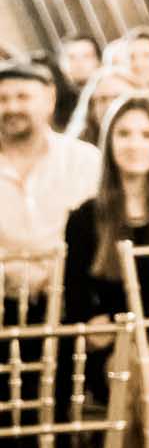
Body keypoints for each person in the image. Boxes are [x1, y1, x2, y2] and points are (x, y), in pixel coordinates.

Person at [62, 93, 149, 448]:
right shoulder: (84, 218)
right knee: (141, 376)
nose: (134, 144)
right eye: (124, 134)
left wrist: (129, 328)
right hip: (114, 356)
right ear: (109, 144)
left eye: (147, 135)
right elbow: (77, 310)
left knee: (137, 382)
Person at [0, 58, 100, 301]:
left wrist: (59, 276)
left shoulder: (84, 159)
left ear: (50, 99)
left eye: (23, 97)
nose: (12, 107)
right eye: (2, 99)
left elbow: (100, 231)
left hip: (77, 295)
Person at [64, 63, 138, 147]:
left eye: (118, 97)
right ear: (92, 108)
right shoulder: (76, 149)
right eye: (103, 99)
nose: (110, 105)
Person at [54, 33, 99, 130]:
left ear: (98, 61)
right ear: (60, 63)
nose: (79, 64)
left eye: (86, 56)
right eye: (71, 57)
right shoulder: (54, 102)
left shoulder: (108, 95)